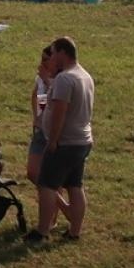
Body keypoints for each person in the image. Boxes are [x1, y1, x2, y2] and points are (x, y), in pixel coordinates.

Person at [28, 36, 94, 244]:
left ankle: (42, 231)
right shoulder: (85, 75)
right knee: (75, 185)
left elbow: (59, 112)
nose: (52, 57)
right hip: (82, 140)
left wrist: (53, 140)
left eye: (55, 52)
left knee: (47, 185)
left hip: (64, 141)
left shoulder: (64, 79)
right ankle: (75, 231)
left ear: (64, 53)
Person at [26, 45, 56, 186]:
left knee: (51, 176)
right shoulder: (40, 78)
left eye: (46, 59)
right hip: (40, 129)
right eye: (41, 59)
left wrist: (47, 81)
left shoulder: (61, 79)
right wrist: (37, 116)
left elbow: (56, 99)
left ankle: (51, 194)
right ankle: (49, 192)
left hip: (53, 132)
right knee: (32, 172)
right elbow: (38, 96)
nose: (42, 63)